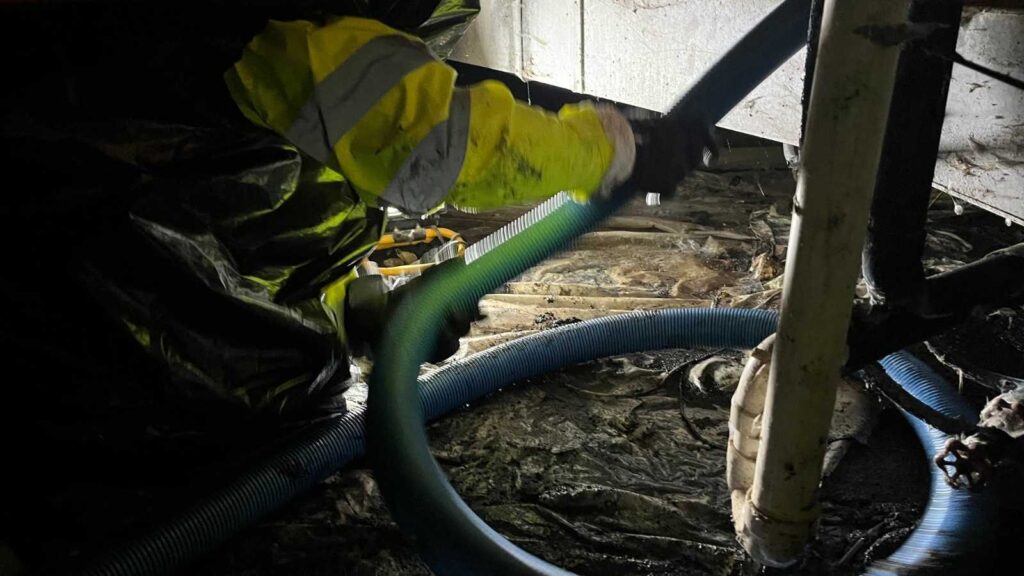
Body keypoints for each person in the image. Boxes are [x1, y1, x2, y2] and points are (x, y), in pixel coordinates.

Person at [1, 1, 712, 424]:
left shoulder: (298, 72)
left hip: (147, 330)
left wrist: (354, 308)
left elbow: (244, 236)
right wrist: (610, 150)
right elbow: (429, 139)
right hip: (98, 367)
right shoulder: (261, 28)